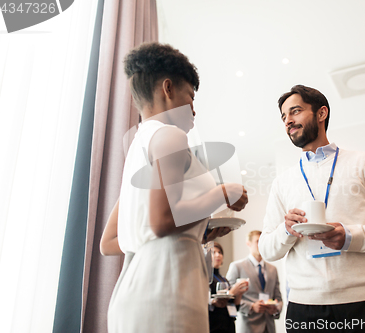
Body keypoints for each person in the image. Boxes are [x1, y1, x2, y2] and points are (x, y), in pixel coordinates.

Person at [102, 42, 248, 333]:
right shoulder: (170, 135)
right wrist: (222, 193)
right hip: (167, 287)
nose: (194, 108)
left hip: (133, 285)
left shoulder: (138, 148)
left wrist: (201, 229)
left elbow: (110, 243)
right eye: (190, 96)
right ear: (167, 89)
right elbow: (163, 221)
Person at [258, 85, 365, 332]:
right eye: (284, 117)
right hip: (304, 309)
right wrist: (286, 230)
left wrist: (350, 236)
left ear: (321, 113)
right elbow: (266, 248)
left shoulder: (364, 162)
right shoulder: (282, 182)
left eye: (295, 111)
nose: (288, 121)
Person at [227, 230, 283, 333]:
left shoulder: (273, 269)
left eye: (263, 241)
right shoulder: (237, 267)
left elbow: (278, 298)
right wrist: (252, 307)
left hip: (269, 326)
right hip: (248, 326)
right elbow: (229, 298)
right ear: (248, 243)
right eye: (257, 241)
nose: (261, 244)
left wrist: (276, 309)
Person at [209, 242, 250, 333]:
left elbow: (235, 306)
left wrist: (239, 293)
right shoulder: (207, 278)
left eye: (220, 252)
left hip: (229, 325)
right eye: (213, 252)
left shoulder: (224, 279)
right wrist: (233, 291)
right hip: (215, 325)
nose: (218, 255)